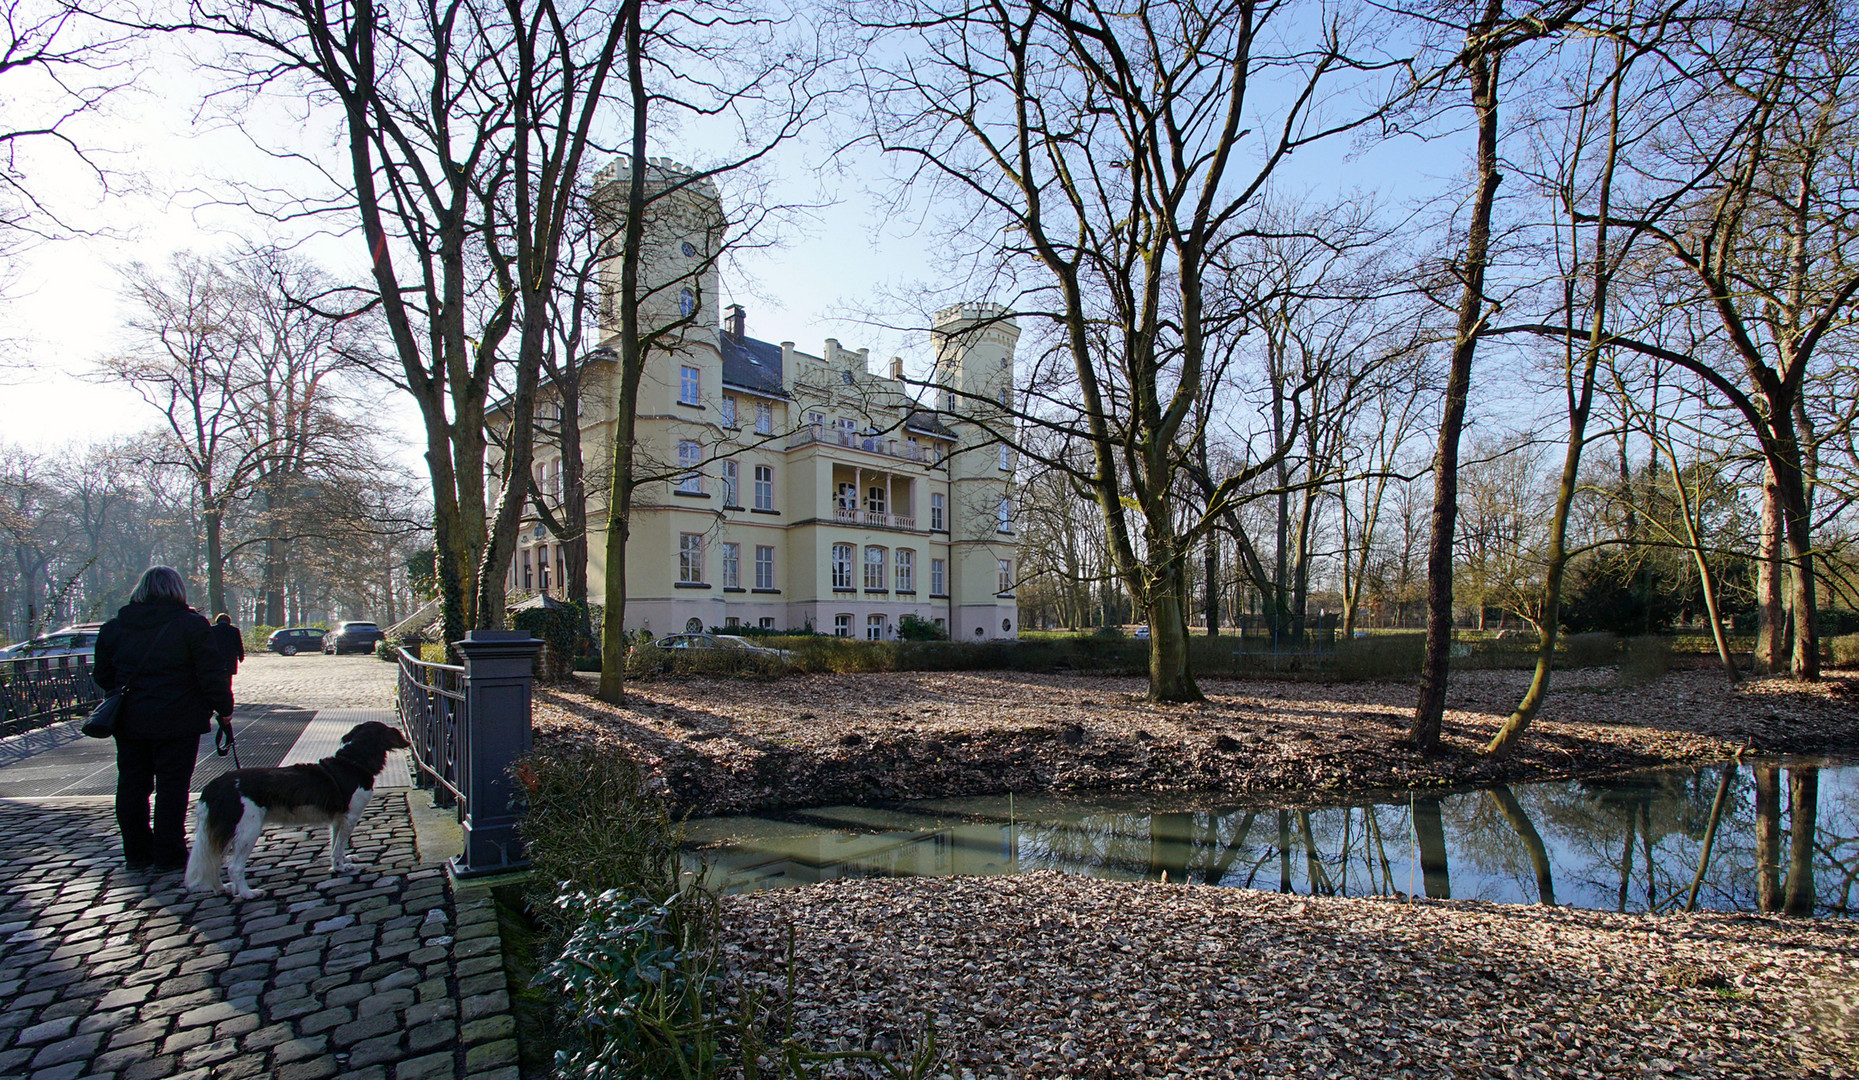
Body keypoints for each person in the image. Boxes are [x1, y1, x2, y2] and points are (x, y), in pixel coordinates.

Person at [93, 567, 235, 871]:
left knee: (131, 786)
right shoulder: (192, 626)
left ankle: (136, 852)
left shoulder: (114, 628)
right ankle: (168, 852)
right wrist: (223, 708)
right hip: (178, 719)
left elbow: (103, 675)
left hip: (130, 719)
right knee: (172, 788)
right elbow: (210, 673)